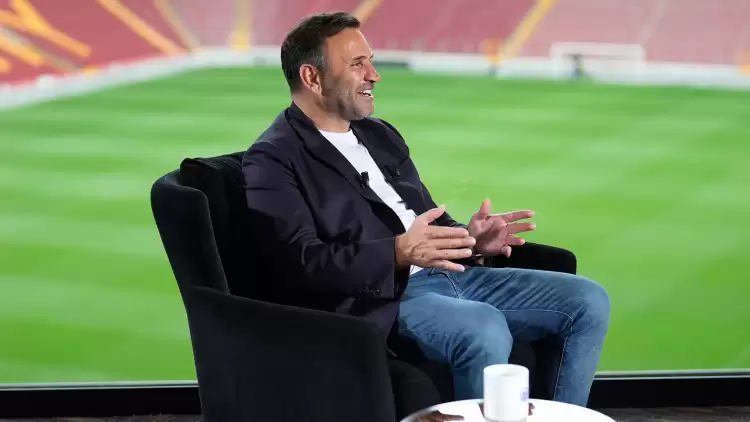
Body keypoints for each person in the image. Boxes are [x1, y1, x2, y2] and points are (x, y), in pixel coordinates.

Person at [242, 11, 610, 408]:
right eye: (357, 64)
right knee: (483, 327)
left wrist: (471, 242)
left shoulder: (379, 133)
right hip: (385, 299)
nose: (374, 75)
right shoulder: (273, 159)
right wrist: (397, 253)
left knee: (588, 300)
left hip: (450, 274)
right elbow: (300, 263)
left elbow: (425, 215)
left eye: (371, 61)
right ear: (312, 77)